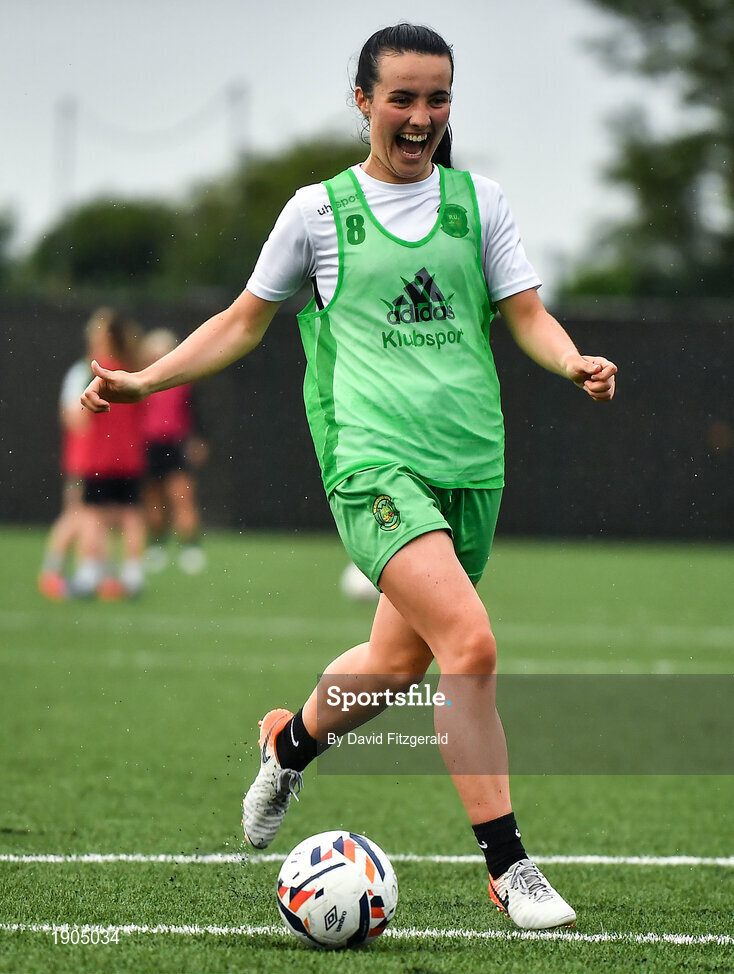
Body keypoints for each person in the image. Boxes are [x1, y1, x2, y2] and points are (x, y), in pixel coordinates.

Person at [80, 24, 617, 930]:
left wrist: (569, 361)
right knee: (471, 646)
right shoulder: (319, 212)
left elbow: (525, 312)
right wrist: (142, 380)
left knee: (396, 664)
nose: (420, 117)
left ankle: (288, 745)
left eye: (437, 98)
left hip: (470, 467)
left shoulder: (478, 202)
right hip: (370, 464)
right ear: (362, 101)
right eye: (401, 98)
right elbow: (244, 321)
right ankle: (510, 867)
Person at [72, 308, 147, 599]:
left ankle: (89, 575)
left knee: (94, 516)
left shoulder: (95, 372)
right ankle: (133, 575)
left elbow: (79, 419)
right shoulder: (133, 370)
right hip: (129, 457)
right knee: (130, 515)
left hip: (100, 458)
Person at [140, 329, 208, 575]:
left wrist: (199, 440)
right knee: (154, 500)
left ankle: (190, 547)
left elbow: (196, 412)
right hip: (149, 445)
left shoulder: (183, 381)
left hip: (176, 444)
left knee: (182, 497)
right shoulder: (141, 381)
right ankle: (156, 546)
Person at [37, 357, 95, 599]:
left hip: (95, 459)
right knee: (77, 513)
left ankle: (86, 572)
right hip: (84, 458)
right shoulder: (82, 372)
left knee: (87, 516)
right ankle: (52, 571)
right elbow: (72, 416)